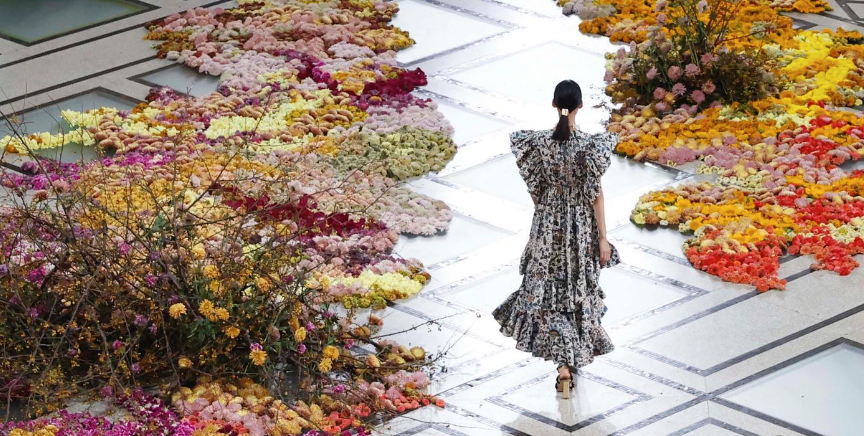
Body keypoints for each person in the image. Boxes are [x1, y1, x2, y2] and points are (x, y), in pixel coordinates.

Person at [492, 79, 620, 399]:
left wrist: (548, 213)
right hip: (580, 230)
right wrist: (603, 238)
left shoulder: (538, 143)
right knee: (574, 295)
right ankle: (567, 362)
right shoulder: (590, 147)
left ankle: (563, 366)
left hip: (547, 227)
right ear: (580, 106)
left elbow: (535, 190)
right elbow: (596, 196)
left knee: (548, 297)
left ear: (554, 105)